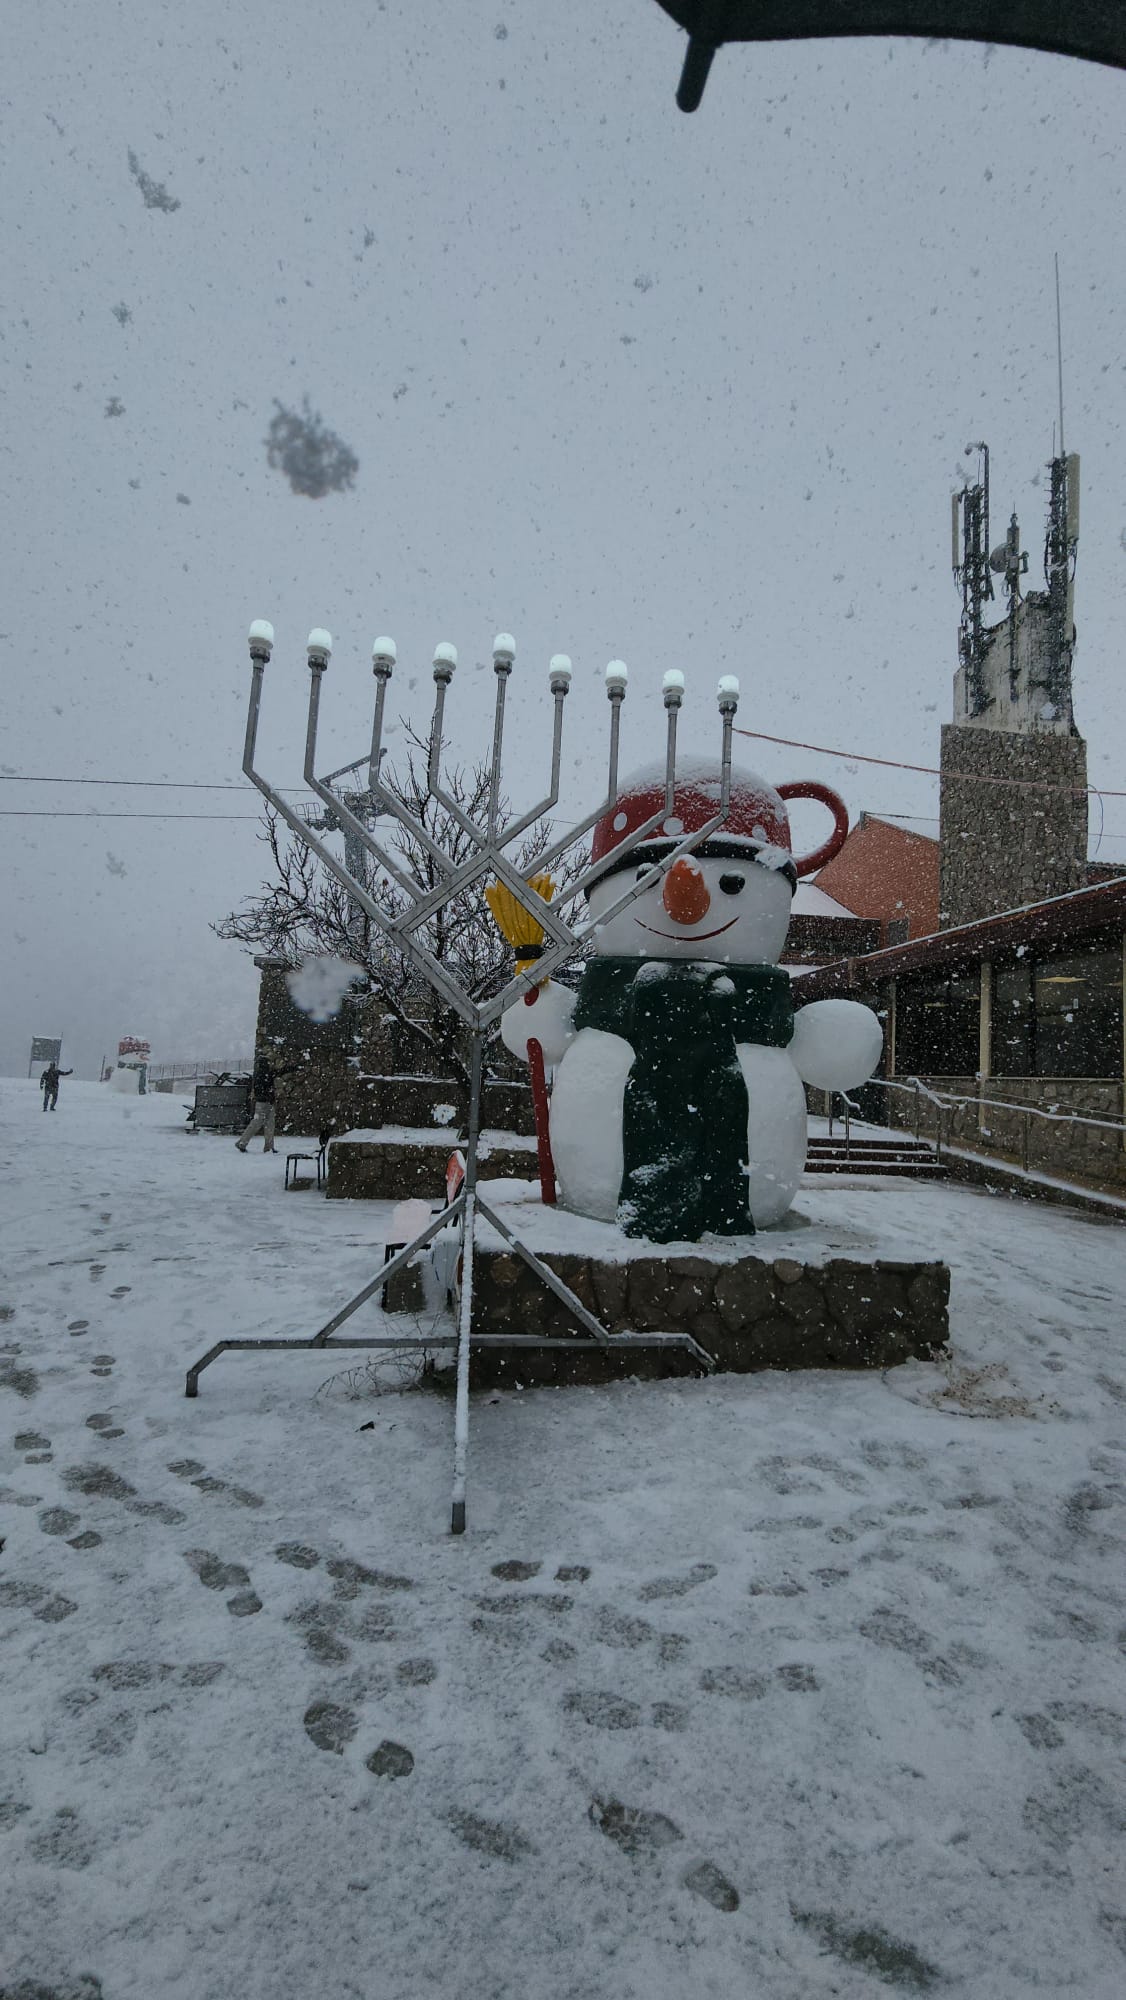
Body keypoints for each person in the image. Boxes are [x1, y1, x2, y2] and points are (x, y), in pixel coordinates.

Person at [234, 1050, 293, 1154]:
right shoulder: (264, 1074)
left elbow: (277, 1073)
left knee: (267, 1124)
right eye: (267, 1063)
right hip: (264, 1103)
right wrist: (291, 1068)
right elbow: (278, 1072)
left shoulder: (261, 1073)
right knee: (260, 1124)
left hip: (266, 1102)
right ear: (264, 1064)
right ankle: (243, 1143)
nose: (269, 1064)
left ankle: (266, 1147)